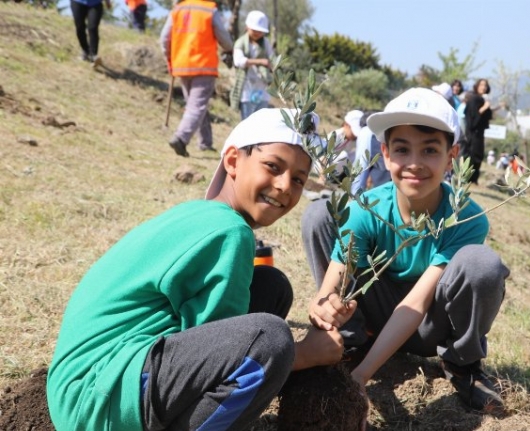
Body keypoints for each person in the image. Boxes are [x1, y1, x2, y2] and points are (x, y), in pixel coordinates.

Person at [46, 108, 344, 431]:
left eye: (299, 179)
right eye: (273, 166)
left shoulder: (203, 215)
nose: (285, 185)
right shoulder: (230, 233)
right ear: (232, 161)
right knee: (272, 342)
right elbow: (235, 357)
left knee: (271, 287)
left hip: (83, 386)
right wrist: (306, 354)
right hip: (99, 400)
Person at [301, 87, 510, 415]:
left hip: (427, 326)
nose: (414, 164)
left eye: (429, 150)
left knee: (481, 264)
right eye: (402, 149)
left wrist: (360, 378)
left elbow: (416, 302)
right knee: (321, 213)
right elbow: (331, 285)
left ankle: (461, 364)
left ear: (451, 156)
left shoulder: (465, 217)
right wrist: (322, 308)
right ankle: (349, 339)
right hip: (372, 312)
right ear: (384, 154)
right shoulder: (368, 208)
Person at [160, 0, 233, 156]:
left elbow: (164, 38)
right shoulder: (209, 9)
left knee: (197, 105)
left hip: (182, 65)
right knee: (196, 106)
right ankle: (180, 138)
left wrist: (170, 58)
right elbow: (224, 37)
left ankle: (205, 142)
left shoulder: (177, 9)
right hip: (203, 65)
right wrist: (229, 48)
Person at [230, 10, 274, 121]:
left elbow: (272, 58)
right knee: (247, 121)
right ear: (247, 27)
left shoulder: (266, 43)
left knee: (260, 120)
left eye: (260, 31)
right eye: (255, 30)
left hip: (262, 89)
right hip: (246, 88)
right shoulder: (240, 43)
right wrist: (260, 61)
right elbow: (239, 61)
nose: (257, 33)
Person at [350, 110, 390, 195]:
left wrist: (355, 193)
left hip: (383, 176)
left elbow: (361, 162)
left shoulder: (366, 131)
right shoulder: (384, 131)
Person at [463, 78, 493, 184]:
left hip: (480, 133)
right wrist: (485, 107)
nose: (483, 87)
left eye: (485, 85)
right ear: (477, 86)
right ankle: (468, 179)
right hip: (473, 133)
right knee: (472, 155)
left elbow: (487, 116)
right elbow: (473, 117)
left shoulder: (482, 99)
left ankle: (474, 179)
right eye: (481, 85)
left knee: (479, 155)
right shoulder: (474, 99)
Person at [70, 0, 112, 67]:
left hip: (95, 3)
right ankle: (85, 51)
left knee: (93, 28)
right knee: (79, 27)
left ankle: (93, 55)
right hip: (78, 2)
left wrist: (107, 1)